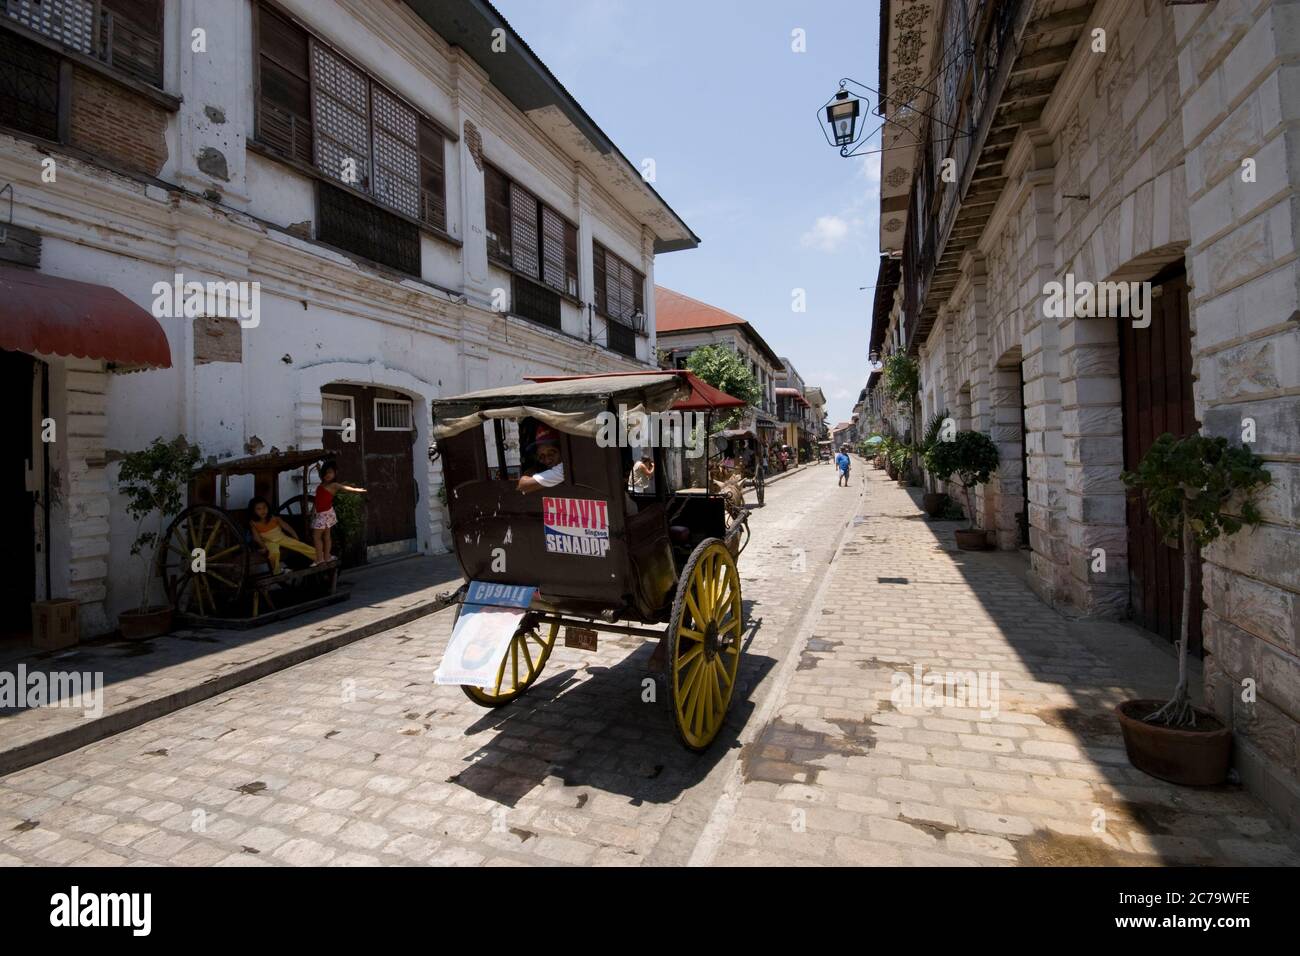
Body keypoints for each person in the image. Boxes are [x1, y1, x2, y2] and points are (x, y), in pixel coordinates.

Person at [312, 459, 366, 564]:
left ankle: (320, 559)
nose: (328, 475)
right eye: (326, 473)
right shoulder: (323, 483)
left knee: (316, 537)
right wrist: (319, 467)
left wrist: (357, 490)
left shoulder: (334, 485)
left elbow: (345, 487)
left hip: (324, 514)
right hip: (326, 513)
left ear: (335, 474)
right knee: (326, 536)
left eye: (330, 473)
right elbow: (321, 475)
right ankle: (326, 557)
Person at [248, 496, 317, 573]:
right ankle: (276, 571)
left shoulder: (274, 518)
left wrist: (295, 535)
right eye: (259, 509)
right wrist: (263, 547)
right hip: (268, 542)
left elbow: (286, 527)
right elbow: (256, 537)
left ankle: (319, 557)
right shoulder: (253, 523)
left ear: (268, 507)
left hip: (281, 538)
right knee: (274, 553)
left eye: (264, 507)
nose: (263, 510)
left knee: (300, 545)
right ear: (253, 511)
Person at [517, 424, 564, 494]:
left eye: (551, 453)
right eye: (542, 456)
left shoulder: (562, 469)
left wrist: (536, 469)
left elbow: (523, 485)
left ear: (563, 451)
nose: (547, 460)